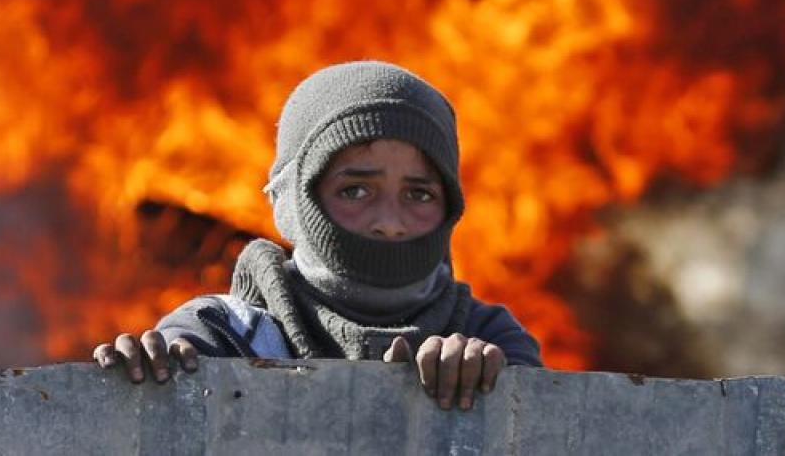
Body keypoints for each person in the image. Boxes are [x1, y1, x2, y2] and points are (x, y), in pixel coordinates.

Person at [94, 61, 541, 411]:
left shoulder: (487, 336)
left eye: (419, 194)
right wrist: (146, 379)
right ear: (295, 201)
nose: (390, 221)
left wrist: (489, 385)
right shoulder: (221, 335)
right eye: (356, 190)